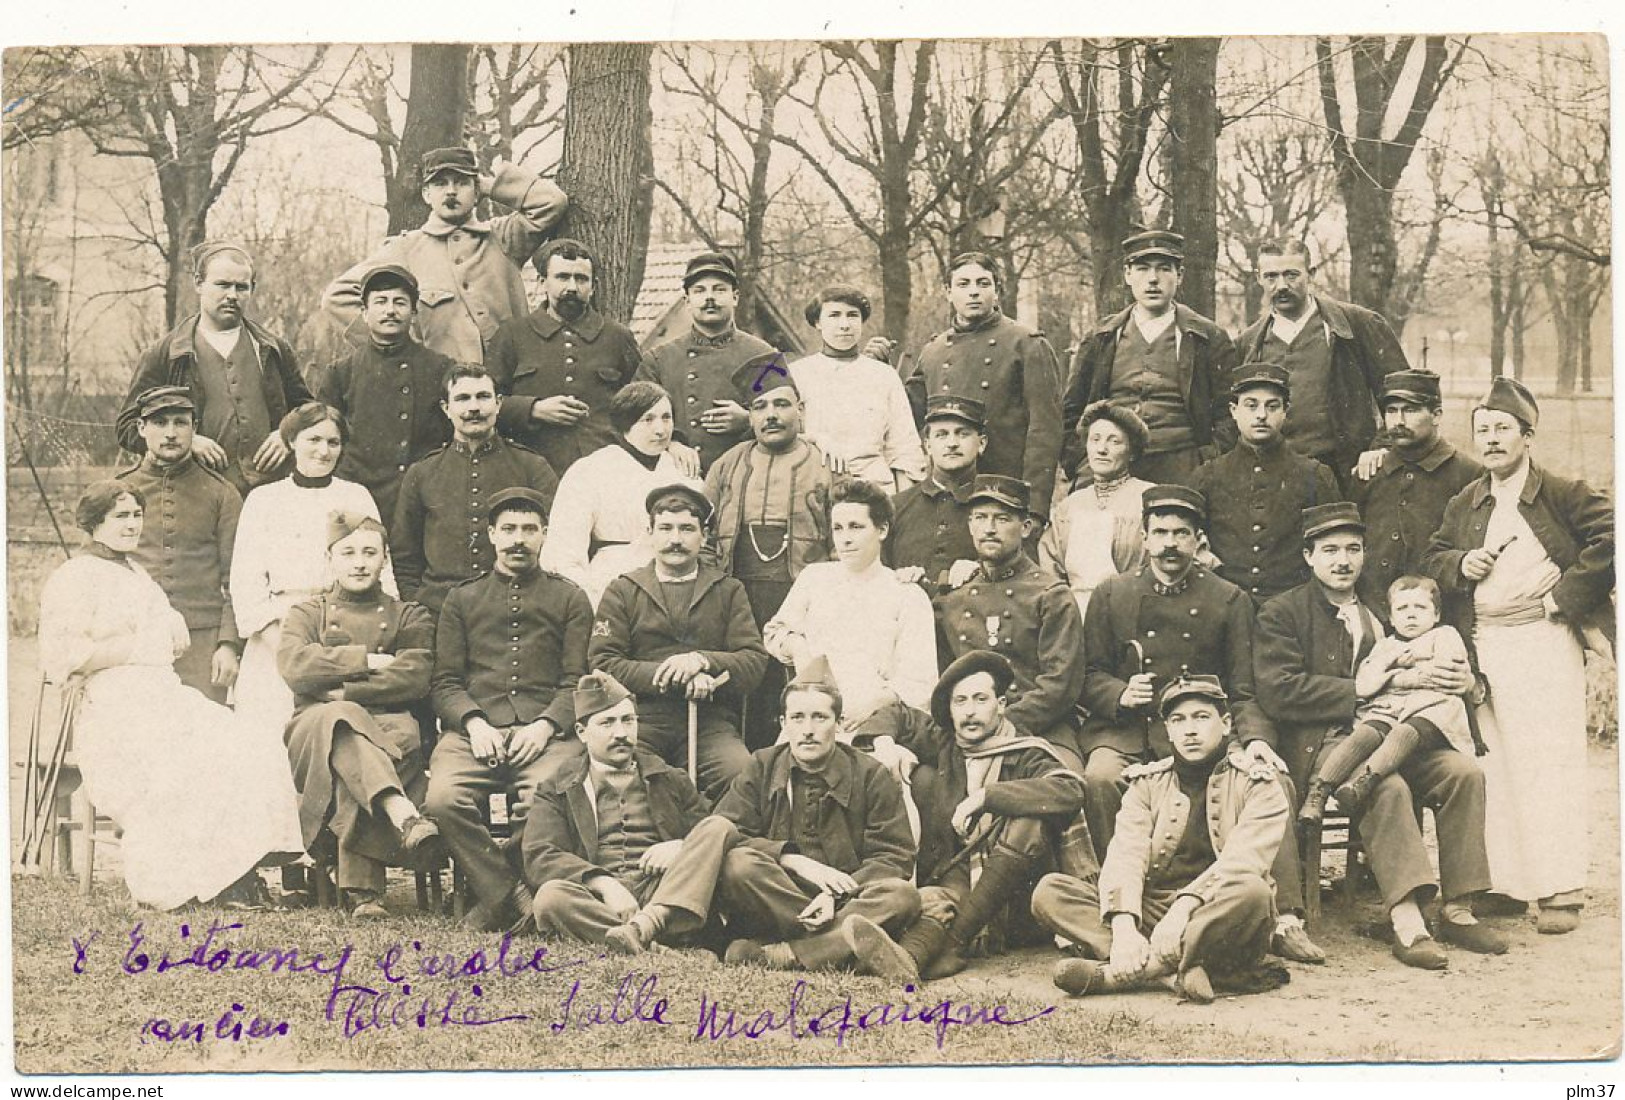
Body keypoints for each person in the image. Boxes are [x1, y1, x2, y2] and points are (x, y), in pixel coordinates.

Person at [1256, 502, 1508, 968]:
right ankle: (1407, 920)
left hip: (1401, 729)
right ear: (1308, 556)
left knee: (1463, 773)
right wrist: (1355, 689)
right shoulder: (1282, 612)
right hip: (1328, 739)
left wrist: (1469, 682)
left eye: (1353, 549)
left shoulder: (1385, 606)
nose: (1343, 560)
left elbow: (1445, 656)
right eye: (1329, 550)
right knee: (1386, 787)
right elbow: (1277, 690)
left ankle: (1457, 907)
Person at [37, 481, 303, 910]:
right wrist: (137, 648)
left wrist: (155, 641)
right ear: (94, 523)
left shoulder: (137, 573)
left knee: (247, 741)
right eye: (120, 516)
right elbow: (66, 656)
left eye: (136, 515)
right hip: (112, 709)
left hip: (163, 695)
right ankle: (185, 883)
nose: (131, 524)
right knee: (179, 761)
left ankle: (238, 870)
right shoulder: (74, 576)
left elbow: (171, 640)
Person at [1424, 376, 1614, 934]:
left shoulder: (1559, 490)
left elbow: (1611, 533)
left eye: (1503, 429)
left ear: (1527, 436)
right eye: (1482, 431)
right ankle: (1504, 884)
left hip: (1542, 642)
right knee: (1495, 765)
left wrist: (1562, 596)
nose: (1491, 441)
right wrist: (1462, 562)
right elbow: (1435, 554)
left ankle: (1560, 888)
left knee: (1546, 760)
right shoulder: (1468, 499)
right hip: (1485, 645)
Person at [1034, 677, 1289, 1004]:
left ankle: (1122, 974)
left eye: (1201, 717)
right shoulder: (1147, 783)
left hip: (1215, 909)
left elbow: (1241, 862)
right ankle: (1170, 971)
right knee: (1051, 891)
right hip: (1151, 908)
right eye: (1178, 721)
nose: (1190, 730)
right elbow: (1127, 853)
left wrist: (1182, 911)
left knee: (1253, 892)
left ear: (1225, 724)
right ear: (1167, 730)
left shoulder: (1258, 783)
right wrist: (1125, 927)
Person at [849, 652, 1093, 982]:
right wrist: (885, 742)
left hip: (1015, 901)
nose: (970, 711)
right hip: (957, 882)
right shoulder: (945, 743)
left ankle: (953, 943)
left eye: (980, 699)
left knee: (1029, 822)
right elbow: (898, 714)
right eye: (960, 701)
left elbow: (1069, 790)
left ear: (1002, 704)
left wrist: (987, 797)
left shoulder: (1026, 751)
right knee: (935, 902)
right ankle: (909, 960)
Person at [426, 487, 593, 931]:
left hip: (547, 735)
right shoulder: (461, 599)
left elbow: (576, 679)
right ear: (491, 535)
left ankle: (492, 902)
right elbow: (444, 682)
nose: (519, 539)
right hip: (472, 733)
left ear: (544, 535)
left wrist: (545, 725)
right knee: (442, 800)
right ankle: (510, 895)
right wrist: (474, 722)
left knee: (545, 799)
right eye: (509, 530)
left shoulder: (571, 598)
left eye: (529, 530)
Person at [276, 513, 443, 917]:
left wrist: (340, 687)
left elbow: (416, 676)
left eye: (369, 552)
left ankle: (364, 894)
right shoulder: (306, 613)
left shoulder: (410, 615)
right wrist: (368, 659)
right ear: (330, 559)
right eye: (347, 552)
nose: (359, 562)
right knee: (340, 720)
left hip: (388, 725)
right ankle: (402, 815)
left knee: (348, 735)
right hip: (314, 726)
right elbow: (295, 666)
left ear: (384, 559)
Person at [708, 672, 922, 976]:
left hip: (848, 899)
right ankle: (838, 946)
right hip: (779, 898)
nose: (807, 730)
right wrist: (791, 859)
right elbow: (728, 832)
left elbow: (894, 857)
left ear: (838, 722)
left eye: (819, 717)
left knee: (902, 895)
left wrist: (835, 897)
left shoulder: (871, 775)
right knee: (738, 865)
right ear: (783, 724)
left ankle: (786, 953)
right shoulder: (761, 765)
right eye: (797, 717)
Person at [583, 484, 768, 801]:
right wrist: (674, 677)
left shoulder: (728, 590)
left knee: (741, 774)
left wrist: (702, 661)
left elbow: (753, 661)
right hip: (640, 721)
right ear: (650, 533)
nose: (675, 539)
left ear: (704, 537)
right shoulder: (624, 590)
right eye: (665, 528)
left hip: (710, 722)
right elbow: (603, 663)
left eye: (687, 529)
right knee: (630, 777)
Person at [522, 671, 718, 950]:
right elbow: (540, 855)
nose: (621, 733)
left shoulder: (670, 778)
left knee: (715, 831)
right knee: (551, 898)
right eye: (607, 723)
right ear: (582, 733)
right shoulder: (558, 786)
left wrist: (682, 846)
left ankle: (640, 930)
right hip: (598, 900)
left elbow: (710, 835)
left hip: (662, 891)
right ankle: (648, 942)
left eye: (628, 720)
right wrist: (603, 883)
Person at [232, 403, 395, 738]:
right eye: (313, 440)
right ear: (291, 441)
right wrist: (293, 650)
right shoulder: (263, 500)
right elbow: (245, 584)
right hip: (278, 638)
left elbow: (382, 569)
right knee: (272, 740)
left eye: (333, 443)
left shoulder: (356, 495)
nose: (323, 451)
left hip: (348, 632)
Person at [323, 147, 568, 363]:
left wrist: (490, 185)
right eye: (440, 184)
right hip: (443, 391)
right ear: (426, 194)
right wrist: (396, 352)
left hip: (512, 385)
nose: (451, 191)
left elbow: (552, 202)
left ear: (476, 191)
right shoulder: (406, 249)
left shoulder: (503, 237)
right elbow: (338, 298)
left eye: (461, 182)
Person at [705, 361, 841, 745]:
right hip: (737, 594)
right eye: (760, 407)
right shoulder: (726, 466)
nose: (771, 416)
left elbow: (842, 534)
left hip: (799, 594)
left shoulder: (827, 464)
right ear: (748, 416)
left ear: (801, 409)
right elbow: (704, 530)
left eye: (781, 404)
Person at [117, 241, 312, 495]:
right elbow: (127, 426)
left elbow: (307, 410)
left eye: (241, 287)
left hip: (269, 492)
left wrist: (289, 433)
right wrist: (186, 441)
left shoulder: (273, 348)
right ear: (199, 283)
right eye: (222, 285)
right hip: (196, 493)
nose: (232, 295)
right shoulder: (165, 353)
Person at [763, 479, 937, 745]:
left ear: (882, 530)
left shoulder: (906, 594)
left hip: (876, 723)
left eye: (856, 527)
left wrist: (873, 703)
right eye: (838, 528)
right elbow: (774, 632)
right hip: (811, 719)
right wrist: (798, 647)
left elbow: (920, 683)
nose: (845, 539)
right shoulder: (814, 578)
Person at [1298, 575, 1480, 825]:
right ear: (1392, 618)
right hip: (1389, 708)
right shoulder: (1385, 645)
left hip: (1431, 709)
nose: (1411, 615)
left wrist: (1396, 674)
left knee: (1404, 731)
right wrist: (1391, 668)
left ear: (1436, 615)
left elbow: (1443, 672)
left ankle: (1367, 779)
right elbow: (1366, 676)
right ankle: (1320, 791)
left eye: (1420, 608)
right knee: (1366, 733)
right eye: (1402, 609)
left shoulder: (1445, 635)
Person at [897, 252, 1064, 521]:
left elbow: (1044, 432)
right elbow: (903, 415)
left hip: (1004, 493)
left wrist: (1034, 508)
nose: (973, 292)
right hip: (947, 494)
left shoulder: (1027, 344)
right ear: (948, 292)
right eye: (963, 284)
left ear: (997, 291)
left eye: (983, 283)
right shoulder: (934, 351)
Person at [1061, 231, 1238, 483]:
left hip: (1183, 468)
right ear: (1127, 275)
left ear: (1180, 275)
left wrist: (1207, 463)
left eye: (1164, 269)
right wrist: (1080, 463)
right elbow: (1071, 410)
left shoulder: (1208, 338)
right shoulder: (1101, 337)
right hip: (1109, 467)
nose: (1153, 279)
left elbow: (1228, 414)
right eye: (1142, 268)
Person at [1236, 238, 1410, 492]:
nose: (1281, 286)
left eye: (1292, 275)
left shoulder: (1357, 325)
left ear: (1311, 274)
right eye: (1271, 276)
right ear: (1259, 279)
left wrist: (1380, 448)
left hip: (1343, 472)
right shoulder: (1248, 343)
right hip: (1272, 477)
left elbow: (1404, 394)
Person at [392, 364, 559, 616]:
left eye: (483, 397)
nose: (473, 408)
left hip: (516, 609)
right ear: (446, 409)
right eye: (462, 398)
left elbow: (556, 543)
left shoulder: (532, 467)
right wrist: (418, 609)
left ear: (499, 403)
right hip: (438, 610)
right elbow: (405, 557)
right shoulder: (422, 473)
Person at [937, 475, 1086, 752]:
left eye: (1003, 519)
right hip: (968, 731)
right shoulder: (954, 598)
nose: (989, 528)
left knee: (1067, 785)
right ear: (970, 525)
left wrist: (1003, 723)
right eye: (980, 517)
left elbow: (1060, 685)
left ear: (1026, 527)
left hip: (1039, 730)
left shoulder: (1051, 594)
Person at [116, 385, 243, 703]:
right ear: (142, 428)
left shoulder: (222, 494)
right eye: (160, 423)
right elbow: (93, 573)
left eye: (180, 422)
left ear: (195, 428)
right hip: (133, 641)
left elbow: (237, 579)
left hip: (202, 644)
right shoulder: (117, 491)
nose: (170, 433)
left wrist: (228, 645)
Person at [488, 238, 646, 476]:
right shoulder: (512, 335)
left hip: (603, 470)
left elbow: (644, 403)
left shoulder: (617, 337)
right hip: (530, 470)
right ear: (543, 282)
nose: (572, 287)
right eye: (562, 277)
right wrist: (533, 409)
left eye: (581, 279)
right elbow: (485, 403)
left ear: (593, 287)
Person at [1188, 362, 1342, 604]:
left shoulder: (1315, 475)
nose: (1261, 415)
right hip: (1223, 607)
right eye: (1251, 406)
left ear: (1285, 411)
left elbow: (1332, 547)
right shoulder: (1207, 476)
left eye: (1272, 406)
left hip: (1292, 610)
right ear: (1233, 410)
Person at [538, 381, 701, 608]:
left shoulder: (682, 469)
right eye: (648, 419)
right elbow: (563, 554)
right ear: (626, 424)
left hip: (679, 588)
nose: (661, 429)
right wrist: (594, 603)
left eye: (666, 417)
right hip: (610, 586)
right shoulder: (590, 470)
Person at [315, 264, 455, 528]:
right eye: (381, 302)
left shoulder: (441, 368)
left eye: (400, 302)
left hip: (424, 501)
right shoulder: (341, 372)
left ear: (414, 313)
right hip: (361, 499)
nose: (390, 310)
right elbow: (325, 438)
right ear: (365, 314)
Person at [1350, 369, 1484, 623]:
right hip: (1375, 613)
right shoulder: (1370, 471)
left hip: (1442, 616)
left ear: (1436, 415)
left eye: (1410, 410)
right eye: (1391, 411)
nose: (1398, 421)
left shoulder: (1469, 475)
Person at [636, 251, 778, 471]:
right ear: (687, 301)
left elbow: (791, 420)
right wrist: (670, 443)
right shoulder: (658, 360)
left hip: (747, 476)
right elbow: (632, 422)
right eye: (699, 290)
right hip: (677, 479)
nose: (709, 298)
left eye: (719, 289)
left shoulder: (763, 357)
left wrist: (749, 420)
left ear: (735, 297)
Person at [790, 284, 924, 493]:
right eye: (834, 315)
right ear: (818, 322)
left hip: (875, 487)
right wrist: (815, 439)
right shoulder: (797, 373)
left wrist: (903, 503)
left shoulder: (883, 375)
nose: (844, 325)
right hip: (815, 486)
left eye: (852, 315)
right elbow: (784, 435)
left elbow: (903, 446)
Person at [1041, 401, 1155, 621]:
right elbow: (1050, 571)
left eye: (1114, 442)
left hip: (1134, 614)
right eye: (1095, 440)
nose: (1102, 449)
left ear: (1131, 452)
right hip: (1074, 617)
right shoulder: (1069, 506)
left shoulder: (1148, 498)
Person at [885, 395, 985, 595]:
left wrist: (981, 569)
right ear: (928, 446)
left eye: (962, 434)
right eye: (942, 435)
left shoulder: (994, 506)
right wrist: (897, 577)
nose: (952, 443)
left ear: (982, 443)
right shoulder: (896, 507)